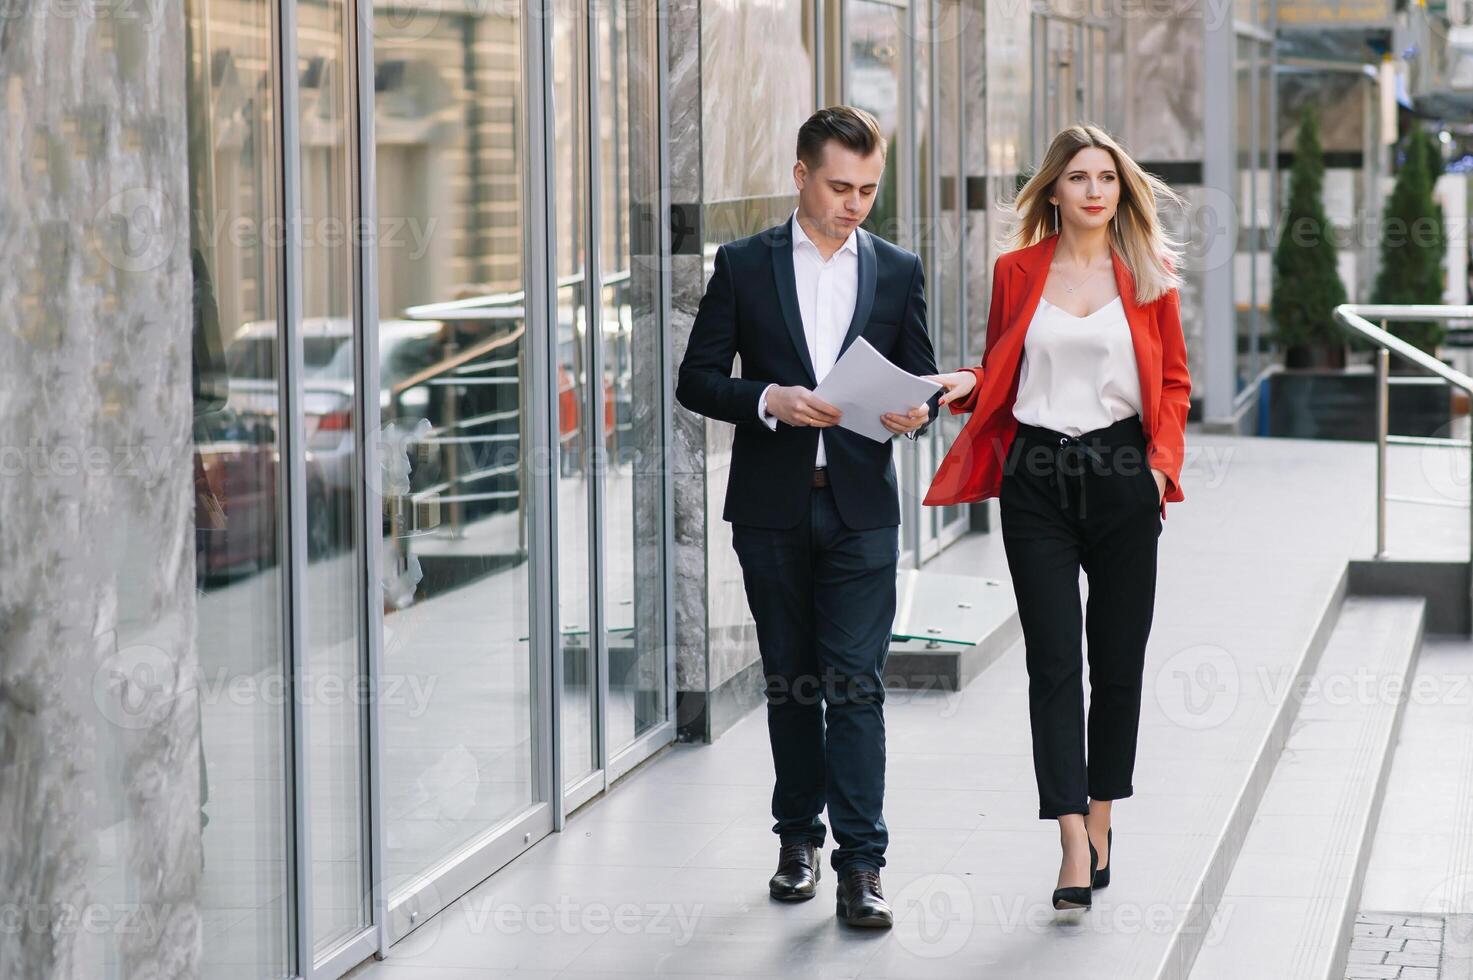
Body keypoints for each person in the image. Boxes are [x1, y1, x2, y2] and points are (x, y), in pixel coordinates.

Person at [675, 105, 940, 929]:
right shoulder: (744, 265)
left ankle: (862, 865)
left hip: (862, 511)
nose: (853, 202)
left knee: (855, 687)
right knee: (790, 681)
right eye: (838, 186)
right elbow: (695, 379)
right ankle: (797, 841)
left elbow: (922, 380)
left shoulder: (896, 269)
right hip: (771, 511)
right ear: (800, 177)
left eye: (867, 188)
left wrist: (915, 414)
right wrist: (768, 400)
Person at [923, 123, 1192, 912]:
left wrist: (1157, 470)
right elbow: (1002, 366)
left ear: (1120, 190)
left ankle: (1103, 815)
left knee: (1114, 665)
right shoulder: (1017, 271)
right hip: (1035, 477)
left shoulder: (1150, 274)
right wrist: (962, 384)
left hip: (1119, 477)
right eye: (1077, 177)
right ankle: (1071, 837)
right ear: (1053, 190)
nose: (1093, 190)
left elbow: (1172, 384)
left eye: (1105, 177)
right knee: (1051, 664)